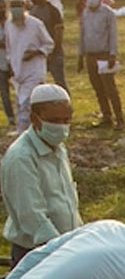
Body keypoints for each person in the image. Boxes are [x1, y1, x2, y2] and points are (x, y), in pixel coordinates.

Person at [1, 84, 81, 268]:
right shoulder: (22, 157)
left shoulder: (58, 148)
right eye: (54, 120)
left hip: (64, 247)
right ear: (34, 119)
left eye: (66, 120)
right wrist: (60, 253)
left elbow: (67, 199)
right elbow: (32, 216)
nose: (61, 127)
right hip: (38, 253)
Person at [4, 0, 53, 133]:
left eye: (19, 5)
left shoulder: (36, 24)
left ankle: (22, 134)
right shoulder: (9, 24)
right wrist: (10, 65)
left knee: (26, 103)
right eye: (13, 6)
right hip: (18, 72)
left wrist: (36, 52)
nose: (16, 9)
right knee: (21, 104)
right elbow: (9, 48)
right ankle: (35, 131)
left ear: (25, 6)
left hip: (34, 71)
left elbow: (49, 44)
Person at [78, 0, 122, 130]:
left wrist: (112, 55)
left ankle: (119, 118)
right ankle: (106, 116)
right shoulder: (85, 13)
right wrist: (80, 56)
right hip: (90, 56)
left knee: (110, 89)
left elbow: (113, 35)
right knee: (98, 88)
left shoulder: (108, 13)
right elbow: (82, 34)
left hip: (104, 56)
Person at [27, 0, 66, 92]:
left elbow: (59, 34)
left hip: (54, 54)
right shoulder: (32, 11)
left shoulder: (53, 10)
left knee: (60, 83)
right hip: (39, 55)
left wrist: (51, 52)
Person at [0, 0, 17, 126]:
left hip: (15, 61)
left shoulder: (12, 23)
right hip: (1, 62)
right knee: (4, 92)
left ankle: (24, 114)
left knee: (20, 90)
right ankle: (11, 117)